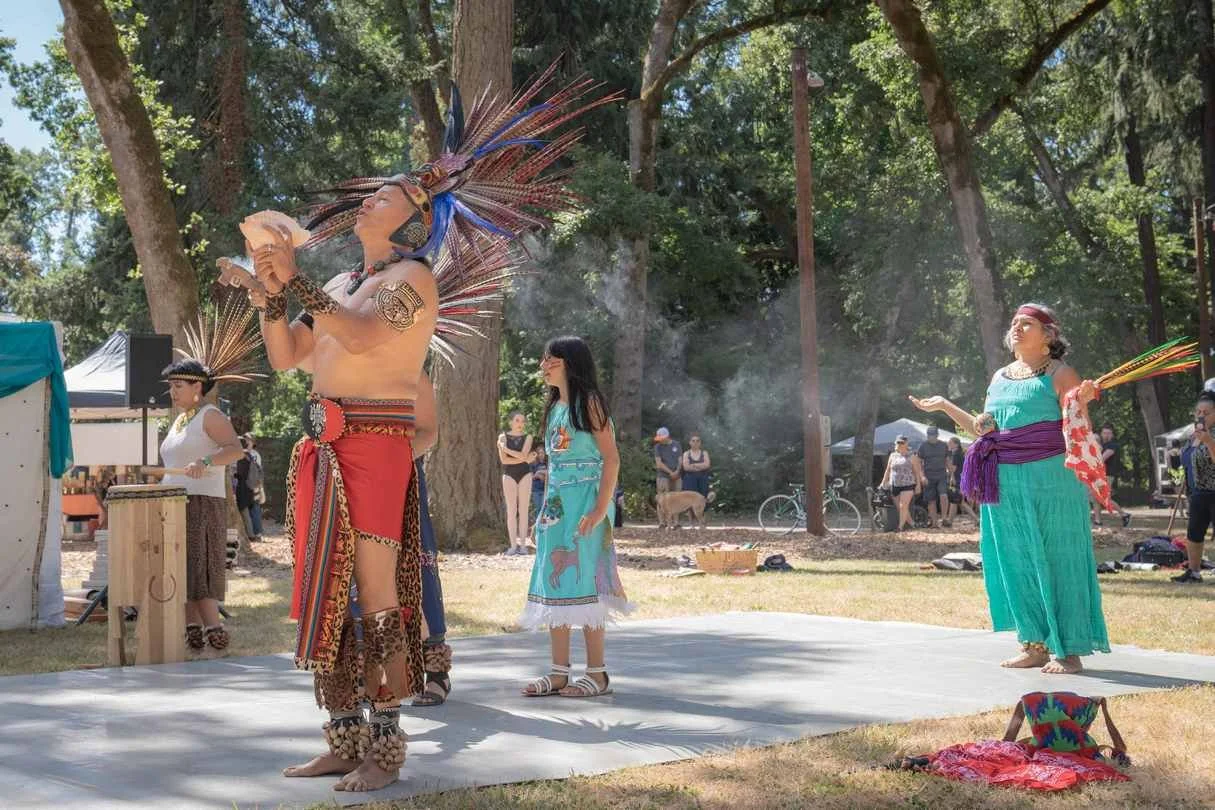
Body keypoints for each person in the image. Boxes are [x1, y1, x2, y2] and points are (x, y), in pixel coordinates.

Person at [246, 70, 608, 793]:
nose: (369, 198)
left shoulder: (414, 282)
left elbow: (357, 333)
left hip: (376, 445)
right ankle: (344, 736)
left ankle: (385, 749)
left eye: (386, 194)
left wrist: (295, 284)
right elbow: (291, 356)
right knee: (328, 594)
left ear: (413, 221)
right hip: (323, 445)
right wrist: (266, 298)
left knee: (376, 592)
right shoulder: (348, 279)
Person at [910, 302, 1109, 674]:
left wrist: (1081, 401)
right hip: (1004, 480)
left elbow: (1077, 428)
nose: (1017, 328)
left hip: (1051, 478)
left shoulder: (1062, 374)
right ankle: (1033, 643)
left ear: (1049, 335)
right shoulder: (1000, 376)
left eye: (1027, 323)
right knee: (1015, 560)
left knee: (1058, 557)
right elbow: (983, 428)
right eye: (1015, 323)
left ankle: (1067, 651)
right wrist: (944, 406)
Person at [521, 336, 630, 698]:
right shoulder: (554, 409)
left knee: (586, 580)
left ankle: (597, 674)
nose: (542, 364)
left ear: (568, 362)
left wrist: (601, 509)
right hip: (557, 506)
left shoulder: (590, 403)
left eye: (549, 358)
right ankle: (558, 672)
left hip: (587, 501)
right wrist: (542, 516)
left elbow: (611, 459)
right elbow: (554, 465)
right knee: (555, 582)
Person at [159, 351, 250, 658]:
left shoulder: (210, 415)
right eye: (171, 386)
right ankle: (193, 630)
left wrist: (206, 460)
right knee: (182, 568)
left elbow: (235, 450)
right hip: (173, 504)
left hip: (201, 501)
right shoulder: (180, 421)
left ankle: (214, 630)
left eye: (178, 386)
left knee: (199, 564)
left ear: (197, 387)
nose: (172, 392)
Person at [410, 371, 454, 705]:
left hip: (402, 477)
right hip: (355, 481)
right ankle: (378, 669)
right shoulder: (350, 364)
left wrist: (387, 461)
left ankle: (436, 671)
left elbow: (427, 432)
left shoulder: (413, 374)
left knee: (416, 568)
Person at [1174, 391, 1215, 583]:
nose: (1201, 415)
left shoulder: (1210, 435)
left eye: (1206, 412)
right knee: (1194, 534)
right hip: (1197, 491)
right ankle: (1194, 571)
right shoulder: (1193, 435)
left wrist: (1209, 442)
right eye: (1198, 411)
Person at [498, 412, 535, 556]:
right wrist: (524, 459)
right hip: (509, 476)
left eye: (523, 421)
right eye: (517, 420)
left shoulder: (528, 437)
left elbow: (523, 455)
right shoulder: (502, 437)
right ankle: (513, 546)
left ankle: (524, 546)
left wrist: (505, 449)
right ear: (510, 422)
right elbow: (504, 461)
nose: (521, 424)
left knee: (524, 511)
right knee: (511, 511)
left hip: (525, 475)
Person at [1091, 425, 1132, 528]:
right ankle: (1098, 521)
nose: (1106, 435)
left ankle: (1124, 514)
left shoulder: (1112, 445)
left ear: (1112, 435)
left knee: (1104, 498)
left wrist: (1095, 447)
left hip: (1108, 475)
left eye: (1108, 433)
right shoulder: (1103, 445)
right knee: (1096, 498)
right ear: (1101, 434)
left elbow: (1101, 459)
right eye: (1104, 433)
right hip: (1100, 474)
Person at [879, 435, 922, 531]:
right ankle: (912, 523)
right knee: (900, 507)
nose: (900, 444)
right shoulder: (892, 455)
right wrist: (883, 483)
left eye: (902, 442)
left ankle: (900, 527)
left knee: (903, 506)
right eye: (898, 442)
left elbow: (916, 472)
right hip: (894, 484)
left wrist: (918, 485)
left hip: (908, 484)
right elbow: (888, 470)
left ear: (906, 444)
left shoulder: (912, 456)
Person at [916, 426, 950, 527]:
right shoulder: (923, 446)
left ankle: (944, 518)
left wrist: (952, 474)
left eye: (933, 435)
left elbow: (947, 460)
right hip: (928, 476)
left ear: (937, 435)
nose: (931, 437)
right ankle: (934, 522)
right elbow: (918, 462)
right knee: (931, 500)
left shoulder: (943, 445)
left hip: (942, 475)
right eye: (929, 435)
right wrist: (922, 476)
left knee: (943, 495)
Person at [234, 434, 264, 542]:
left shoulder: (241, 457)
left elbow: (240, 473)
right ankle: (255, 533)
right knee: (249, 510)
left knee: (244, 511)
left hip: (243, 488)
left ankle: (251, 535)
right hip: (250, 487)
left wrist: (234, 475)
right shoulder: (250, 456)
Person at [945, 436, 978, 523]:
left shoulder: (956, 454)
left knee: (959, 501)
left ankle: (976, 520)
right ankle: (950, 521)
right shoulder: (959, 453)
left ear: (955, 444)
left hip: (958, 480)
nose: (948, 444)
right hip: (961, 479)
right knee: (955, 501)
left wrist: (947, 462)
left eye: (950, 442)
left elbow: (953, 469)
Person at [653, 427, 682, 526]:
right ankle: (662, 522)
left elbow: (680, 460)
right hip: (662, 476)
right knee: (662, 498)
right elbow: (659, 463)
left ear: (667, 436)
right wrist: (670, 472)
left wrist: (677, 471)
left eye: (661, 438)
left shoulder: (676, 445)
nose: (659, 440)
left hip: (677, 475)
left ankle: (676, 522)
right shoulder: (657, 447)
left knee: (676, 498)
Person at [530, 447, 548, 527]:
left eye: (542, 453)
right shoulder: (534, 464)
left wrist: (539, 472)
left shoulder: (547, 464)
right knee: (539, 508)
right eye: (539, 453)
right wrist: (537, 475)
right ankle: (537, 527)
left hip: (545, 489)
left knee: (544, 509)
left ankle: (543, 526)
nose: (541, 455)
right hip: (536, 490)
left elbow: (549, 473)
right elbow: (531, 477)